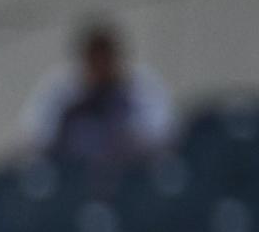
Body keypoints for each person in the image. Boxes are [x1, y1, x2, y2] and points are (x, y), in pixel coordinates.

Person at [22, 18, 173, 168]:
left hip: (131, 171)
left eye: (105, 59)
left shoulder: (139, 87)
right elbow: (33, 136)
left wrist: (124, 128)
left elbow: (164, 133)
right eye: (95, 59)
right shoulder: (62, 89)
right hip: (73, 172)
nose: (100, 65)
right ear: (84, 60)